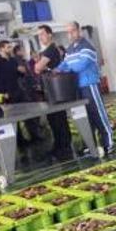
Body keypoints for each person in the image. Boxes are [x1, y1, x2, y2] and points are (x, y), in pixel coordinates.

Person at [57, 21, 114, 154]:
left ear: (79, 31)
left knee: (98, 114)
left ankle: (108, 143)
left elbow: (80, 65)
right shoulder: (70, 49)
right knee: (85, 117)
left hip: (90, 85)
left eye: (73, 31)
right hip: (78, 88)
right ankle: (90, 145)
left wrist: (66, 69)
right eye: (68, 32)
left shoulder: (87, 46)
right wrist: (56, 70)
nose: (70, 34)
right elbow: (65, 64)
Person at [35, 24, 74, 161]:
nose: (40, 37)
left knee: (58, 119)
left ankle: (64, 146)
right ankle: (59, 145)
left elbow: (38, 68)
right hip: (51, 90)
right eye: (39, 35)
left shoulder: (50, 50)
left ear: (50, 34)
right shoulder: (48, 50)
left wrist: (39, 64)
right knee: (54, 119)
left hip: (55, 89)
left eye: (42, 34)